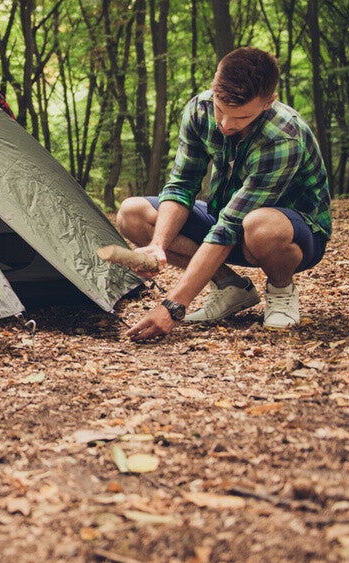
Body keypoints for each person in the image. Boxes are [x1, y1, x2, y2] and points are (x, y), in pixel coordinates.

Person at [117, 46, 331, 341]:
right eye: (221, 110)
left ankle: (281, 290)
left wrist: (173, 306)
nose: (227, 124)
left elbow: (230, 228)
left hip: (291, 234)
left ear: (269, 102)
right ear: (213, 90)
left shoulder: (283, 136)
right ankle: (230, 286)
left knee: (259, 225)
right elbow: (182, 185)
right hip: (227, 217)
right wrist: (157, 245)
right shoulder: (199, 110)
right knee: (133, 213)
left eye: (242, 117)